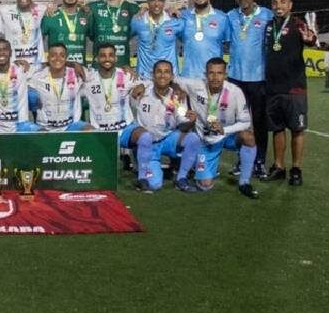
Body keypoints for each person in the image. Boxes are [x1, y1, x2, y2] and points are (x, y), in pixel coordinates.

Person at [174, 57, 258, 198]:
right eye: (211, 73)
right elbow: (170, 79)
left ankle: (244, 183)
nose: (215, 77)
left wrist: (225, 130)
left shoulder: (235, 92)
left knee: (248, 137)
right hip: (206, 141)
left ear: (225, 75)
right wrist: (177, 88)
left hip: (227, 136)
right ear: (205, 74)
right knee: (205, 185)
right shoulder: (195, 85)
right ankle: (198, 163)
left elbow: (245, 122)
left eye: (219, 73)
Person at [259, 0, 318, 186]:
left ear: (290, 5)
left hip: (294, 88)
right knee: (277, 129)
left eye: (283, 2)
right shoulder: (269, 26)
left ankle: (296, 169)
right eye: (275, 3)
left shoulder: (298, 24)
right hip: (273, 87)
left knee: (297, 129)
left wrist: (310, 39)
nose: (279, 6)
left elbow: (311, 40)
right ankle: (279, 167)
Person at [118, 60, 201, 192]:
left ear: (172, 76)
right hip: (142, 138)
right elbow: (122, 80)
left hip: (165, 139)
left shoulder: (177, 98)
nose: (162, 75)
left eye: (166, 72)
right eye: (159, 72)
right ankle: (142, 178)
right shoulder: (142, 90)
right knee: (153, 183)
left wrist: (191, 121)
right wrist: (125, 67)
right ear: (153, 75)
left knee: (193, 138)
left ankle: (181, 178)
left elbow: (183, 126)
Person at [226, 0, 274, 178]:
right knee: (239, 122)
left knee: (260, 122)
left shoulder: (267, 15)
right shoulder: (230, 16)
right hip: (235, 78)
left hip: (258, 78)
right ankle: (242, 159)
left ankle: (260, 161)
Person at [28, 43, 91, 132]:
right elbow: (20, 74)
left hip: (71, 126)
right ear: (48, 58)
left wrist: (74, 64)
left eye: (62, 55)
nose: (58, 58)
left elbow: (97, 75)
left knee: (91, 130)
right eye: (53, 55)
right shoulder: (37, 77)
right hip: (45, 128)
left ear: (66, 58)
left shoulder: (76, 73)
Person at [82, 43, 142, 132]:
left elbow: (145, 84)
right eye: (103, 56)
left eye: (111, 55)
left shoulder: (126, 75)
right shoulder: (89, 79)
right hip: (99, 132)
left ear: (116, 58)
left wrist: (141, 86)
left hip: (125, 130)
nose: (107, 59)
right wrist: (72, 64)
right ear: (96, 59)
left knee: (144, 136)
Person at [86, 0, 140, 68]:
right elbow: (90, 34)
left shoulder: (132, 8)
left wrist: (145, 6)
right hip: (99, 67)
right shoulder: (93, 7)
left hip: (123, 66)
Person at [178, 0, 229, 79]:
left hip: (213, 78)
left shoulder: (223, 18)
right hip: (189, 76)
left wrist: (227, 71)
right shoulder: (183, 16)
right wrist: (168, 9)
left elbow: (231, 46)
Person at [131, 0, 183, 79]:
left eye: (160, 0)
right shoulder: (138, 21)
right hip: (145, 77)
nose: (156, 4)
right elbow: (124, 38)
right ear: (147, 1)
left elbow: (189, 40)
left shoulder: (175, 21)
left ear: (164, 2)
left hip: (169, 78)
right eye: (153, 0)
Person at [41, 0, 88, 64]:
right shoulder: (50, 15)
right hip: (57, 67)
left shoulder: (86, 15)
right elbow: (38, 39)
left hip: (80, 68)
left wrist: (83, 7)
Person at [0, 0, 46, 64]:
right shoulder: (4, 11)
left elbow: (50, 10)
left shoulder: (42, 9)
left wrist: (50, 8)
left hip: (36, 64)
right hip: (14, 64)